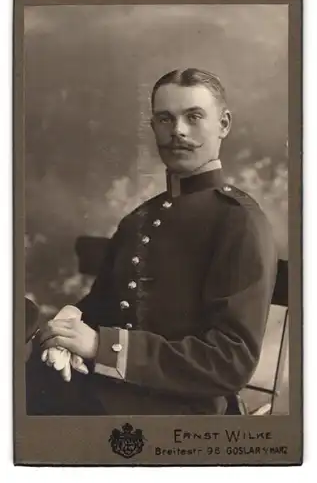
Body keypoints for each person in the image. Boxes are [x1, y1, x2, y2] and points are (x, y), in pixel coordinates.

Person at [27, 68, 277, 415]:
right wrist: (71, 320)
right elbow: (102, 303)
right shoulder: (141, 217)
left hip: (182, 412)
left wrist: (102, 346)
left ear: (224, 124)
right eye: (165, 118)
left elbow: (230, 361)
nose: (178, 130)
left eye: (194, 117)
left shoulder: (238, 220)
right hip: (108, 392)